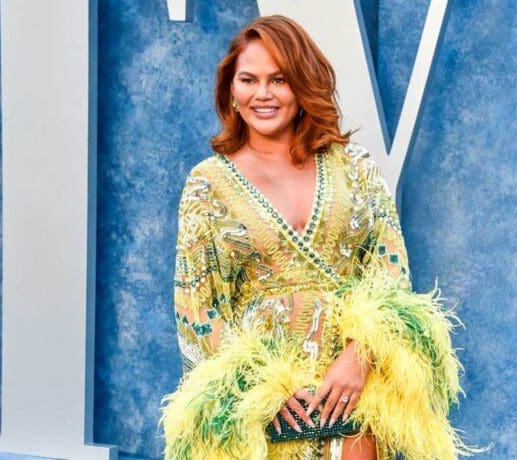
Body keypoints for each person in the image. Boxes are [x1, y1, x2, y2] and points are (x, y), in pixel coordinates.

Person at [160, 15, 472, 460]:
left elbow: (391, 274)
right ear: (230, 88)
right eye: (248, 79)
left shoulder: (355, 168)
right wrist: (257, 391)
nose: (262, 94)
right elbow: (197, 311)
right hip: (262, 413)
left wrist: (360, 358)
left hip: (352, 395)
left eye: (279, 80)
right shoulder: (206, 184)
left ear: (302, 86)